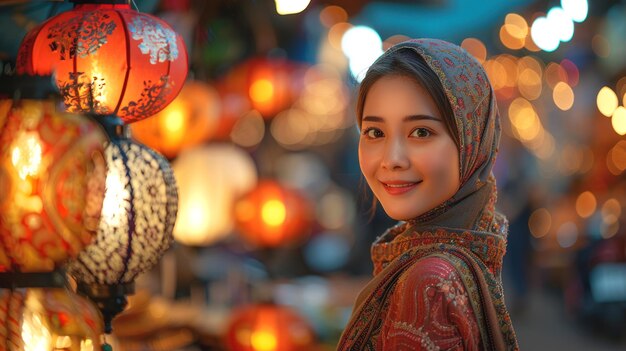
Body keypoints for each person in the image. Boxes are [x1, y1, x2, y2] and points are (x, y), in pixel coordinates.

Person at [337, 39, 519, 350]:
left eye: (421, 132)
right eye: (375, 132)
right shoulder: (476, 238)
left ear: (471, 142)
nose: (392, 158)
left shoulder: (428, 283)